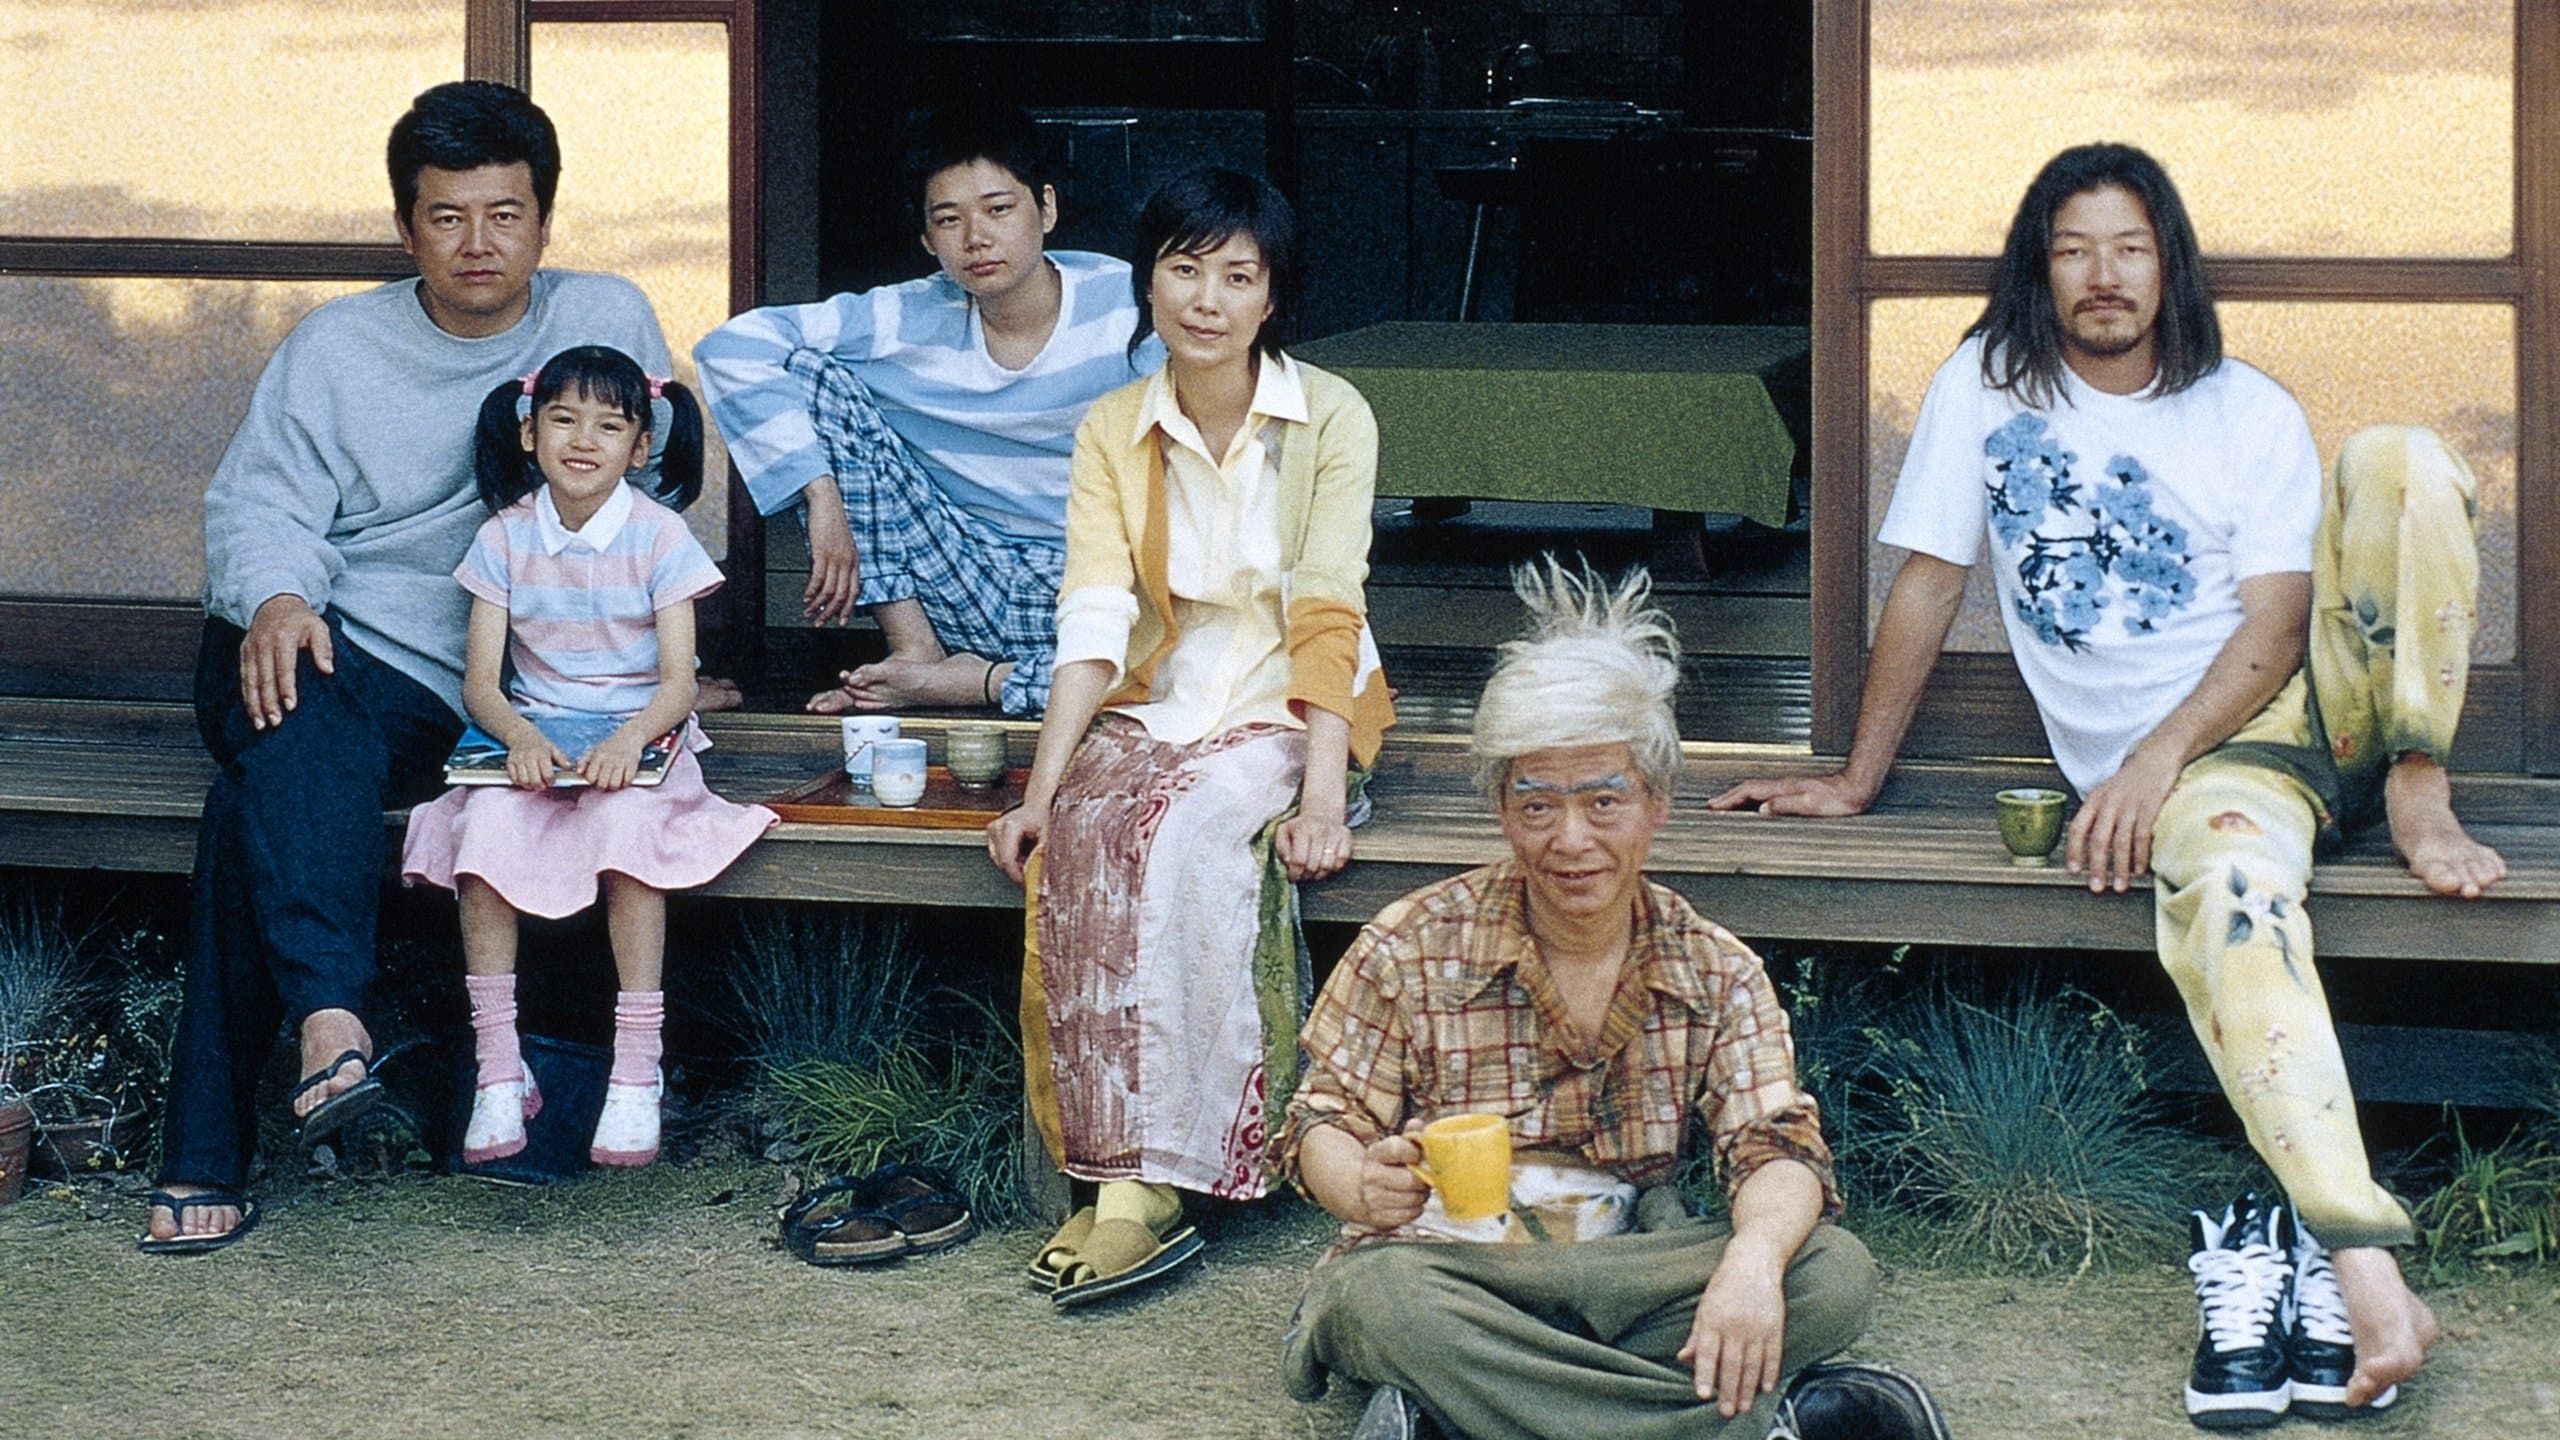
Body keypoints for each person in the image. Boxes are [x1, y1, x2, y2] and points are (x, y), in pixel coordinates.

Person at [1709, 143, 2496, 1421]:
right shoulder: (1986, 385)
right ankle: (2361, 1259)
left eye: (2129, 247)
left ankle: (2418, 780)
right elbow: (1929, 582)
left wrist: (2150, 757)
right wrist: (1855, 776)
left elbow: (2278, 625)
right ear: (2039, 269)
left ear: (2169, 264)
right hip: (2231, 774)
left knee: (2400, 457)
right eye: (2072, 249)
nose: (2102, 274)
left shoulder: (2243, 408)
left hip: (2314, 712)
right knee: (2231, 893)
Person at [144, 81, 676, 1254]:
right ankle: (333, 1020)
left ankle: (227, 1127)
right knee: (298, 712)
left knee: (254, 804)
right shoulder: (337, 346)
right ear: (405, 228)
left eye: (504, 214)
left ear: (544, 220)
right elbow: (259, 502)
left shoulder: (604, 315)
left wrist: (662, 654)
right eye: (446, 216)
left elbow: (654, 493)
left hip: (457, 677)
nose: (478, 243)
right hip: (312, 636)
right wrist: (280, 596)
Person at [1273, 562, 1945, 1440]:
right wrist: (1361, 1184)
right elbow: (1320, 1120)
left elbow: (1775, 1145)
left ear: (1656, 803)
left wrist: (1750, 1260)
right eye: (1537, 805)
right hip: (1456, 1270)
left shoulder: (1714, 969)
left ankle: (1458, 1412)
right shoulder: (1412, 943)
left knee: (1829, 1272)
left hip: (1630, 1268)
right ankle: (1763, 1420)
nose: (1571, 839)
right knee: (1378, 1300)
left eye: (1603, 801)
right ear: (1501, 808)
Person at [986, 168, 1394, 1306]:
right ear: (1148, 282)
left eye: (1238, 276)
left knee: (1183, 836)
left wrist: (1323, 801)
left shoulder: (1333, 416)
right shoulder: (1113, 428)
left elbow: (1329, 605)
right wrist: (1040, 792)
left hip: (1290, 701)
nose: (1207, 300)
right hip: (1161, 692)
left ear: (1273, 297)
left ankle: (1182, 1170)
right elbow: (1093, 616)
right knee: (1082, 839)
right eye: (1183, 269)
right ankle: (1116, 1172)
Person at [399, 345, 776, 1169]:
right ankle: (500, 1065)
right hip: (537, 730)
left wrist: (629, 740)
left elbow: (679, 684)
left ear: (639, 448)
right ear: (529, 432)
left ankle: (637, 1067)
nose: (583, 440)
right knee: (484, 832)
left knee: (626, 832)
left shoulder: (659, 535)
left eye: (609, 426)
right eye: (564, 419)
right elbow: (481, 684)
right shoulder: (504, 537)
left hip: (639, 733)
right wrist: (522, 738)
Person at [695, 103, 1164, 717]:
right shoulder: (908, 314)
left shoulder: (1129, 308)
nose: (976, 238)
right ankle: (914, 649)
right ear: (926, 238)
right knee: (811, 373)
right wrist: (819, 495)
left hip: (1094, 588)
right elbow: (734, 346)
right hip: (960, 574)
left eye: (999, 209)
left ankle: (971, 684)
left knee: (1175, 669)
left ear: (1046, 209)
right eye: (949, 219)